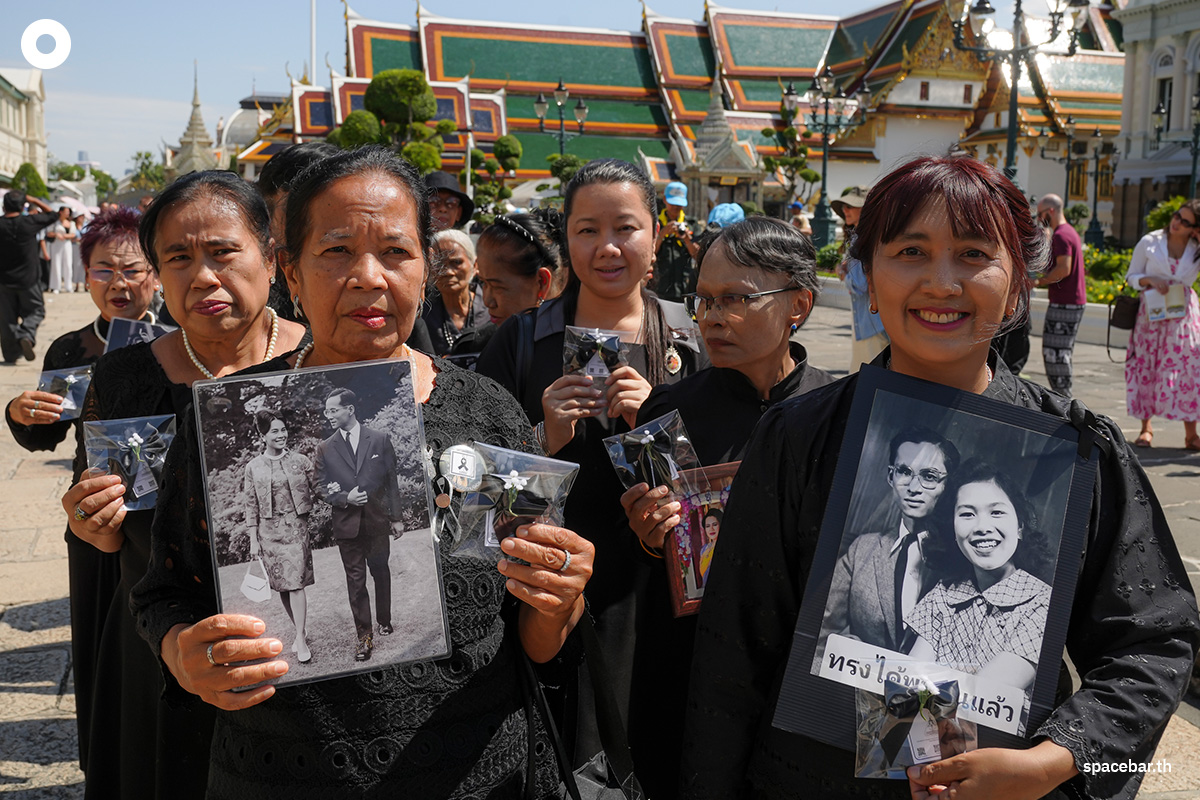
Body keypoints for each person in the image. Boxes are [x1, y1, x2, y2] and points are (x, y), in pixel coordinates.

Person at [681, 155, 1200, 800]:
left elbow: (1153, 643)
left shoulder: (1075, 451)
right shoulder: (799, 436)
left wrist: (1058, 762)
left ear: (1017, 287)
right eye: (910, 251)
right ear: (867, 276)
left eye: (974, 253)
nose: (941, 281)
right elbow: (733, 656)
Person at [129, 145, 595, 796]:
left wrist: (559, 599)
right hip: (282, 769)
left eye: (397, 252)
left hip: (479, 770)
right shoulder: (230, 420)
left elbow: (536, 635)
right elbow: (162, 591)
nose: (369, 277)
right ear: (291, 271)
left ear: (427, 269)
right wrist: (183, 653)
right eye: (338, 251)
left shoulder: (488, 413)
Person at [60, 171, 307, 799]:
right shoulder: (123, 378)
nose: (202, 277)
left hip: (296, 654)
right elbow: (107, 536)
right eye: (177, 258)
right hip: (158, 654)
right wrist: (90, 521)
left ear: (271, 260)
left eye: (223, 252)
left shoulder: (326, 365)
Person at [477, 158, 708, 766]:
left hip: (656, 601)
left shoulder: (691, 340)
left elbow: (714, 497)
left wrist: (649, 430)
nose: (607, 247)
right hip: (545, 595)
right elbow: (477, 505)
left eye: (625, 228)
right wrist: (542, 438)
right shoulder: (522, 341)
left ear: (656, 235)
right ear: (566, 239)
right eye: (587, 230)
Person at [617, 216, 830, 799]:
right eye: (704, 299)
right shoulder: (667, 408)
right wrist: (646, 532)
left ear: (798, 304)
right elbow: (642, 560)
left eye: (736, 298)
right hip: (692, 670)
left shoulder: (838, 411)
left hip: (801, 671)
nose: (711, 317)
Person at [4, 206, 159, 778]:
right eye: (102, 271)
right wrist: (20, 411)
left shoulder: (181, 341)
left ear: (156, 274)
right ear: (85, 275)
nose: (119, 284)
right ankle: (104, 763)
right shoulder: (70, 349)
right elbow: (42, 433)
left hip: (160, 520)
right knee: (99, 638)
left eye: (133, 269)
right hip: (93, 518)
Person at [907, 462, 1053, 694]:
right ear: (954, 532)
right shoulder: (943, 595)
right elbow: (909, 682)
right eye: (967, 514)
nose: (982, 527)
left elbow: (979, 696)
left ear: (1020, 527)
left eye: (996, 512)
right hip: (922, 723)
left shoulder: (1043, 604)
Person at [818, 427, 961, 654]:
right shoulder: (861, 551)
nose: (914, 488)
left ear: (947, 486)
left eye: (929, 476)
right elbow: (819, 637)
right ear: (890, 476)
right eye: (904, 472)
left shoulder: (965, 559)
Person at [314, 387, 403, 661]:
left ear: (349, 409)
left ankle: (384, 619)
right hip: (346, 527)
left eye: (333, 410)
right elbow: (318, 486)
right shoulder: (325, 448)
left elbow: (391, 482)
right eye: (327, 411)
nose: (328, 415)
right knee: (356, 583)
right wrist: (344, 497)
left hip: (377, 523)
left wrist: (397, 518)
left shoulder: (379, 439)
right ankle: (364, 637)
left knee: (381, 572)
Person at [1124, 199, 1200, 449]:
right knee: (1148, 365)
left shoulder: (1196, 247)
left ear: (1195, 228)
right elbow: (1131, 277)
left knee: (1189, 369)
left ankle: (1191, 433)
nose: (1176, 222)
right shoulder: (1150, 242)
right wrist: (1149, 279)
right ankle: (1146, 428)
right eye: (1178, 215)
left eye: (1185, 221)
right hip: (1152, 315)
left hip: (1184, 316)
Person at [243, 409, 315, 664]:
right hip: (268, 533)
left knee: (295, 581)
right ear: (263, 436)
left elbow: (321, 486)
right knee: (284, 586)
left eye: (283, 429)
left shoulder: (300, 460)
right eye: (274, 431)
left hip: (296, 529)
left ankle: (301, 638)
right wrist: (253, 539)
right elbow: (250, 504)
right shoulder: (253, 467)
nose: (281, 435)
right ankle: (300, 629)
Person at [256, 141, 342, 324]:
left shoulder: (373, 289)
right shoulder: (253, 305)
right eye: (295, 215)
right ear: (267, 222)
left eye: (330, 212)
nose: (315, 229)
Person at [1035, 194, 1087, 396]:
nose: (1038, 219)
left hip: (1065, 302)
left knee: (1055, 354)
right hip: (1071, 300)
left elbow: (1063, 269)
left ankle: (1065, 400)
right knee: (1060, 353)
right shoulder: (1069, 232)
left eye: (1040, 214)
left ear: (1050, 212)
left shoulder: (1062, 235)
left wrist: (1038, 281)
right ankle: (1065, 397)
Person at [474, 211, 564, 327]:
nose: (487, 301)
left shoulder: (577, 341)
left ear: (541, 282)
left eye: (498, 288)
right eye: (483, 283)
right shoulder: (479, 342)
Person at [833, 185, 889, 372]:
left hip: (869, 322)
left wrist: (843, 274)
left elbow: (859, 285)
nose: (845, 210)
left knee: (864, 383)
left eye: (851, 206)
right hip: (880, 320)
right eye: (844, 207)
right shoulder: (878, 236)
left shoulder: (860, 239)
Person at [0, 190, 56, 363]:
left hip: (3, 279)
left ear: (3, 206)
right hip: (28, 278)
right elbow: (53, 214)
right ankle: (26, 333)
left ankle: (10, 355)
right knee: (36, 310)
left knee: (7, 318)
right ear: (23, 205)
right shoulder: (29, 222)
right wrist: (34, 199)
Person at [422, 228, 490, 356]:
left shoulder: (491, 308)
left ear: (475, 265)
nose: (448, 272)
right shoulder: (422, 315)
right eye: (438, 264)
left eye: (456, 262)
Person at [652, 180, 700, 301]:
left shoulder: (692, 224)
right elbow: (649, 253)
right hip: (659, 289)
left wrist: (687, 240)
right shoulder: (654, 223)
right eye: (672, 203)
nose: (675, 207)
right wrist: (662, 234)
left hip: (685, 289)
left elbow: (698, 256)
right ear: (664, 200)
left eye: (679, 204)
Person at [47, 204, 78, 294]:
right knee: (56, 264)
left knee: (68, 264)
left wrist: (64, 236)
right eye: (66, 211)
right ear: (61, 212)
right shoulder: (55, 222)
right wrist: (56, 234)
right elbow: (49, 233)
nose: (67, 213)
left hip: (67, 244)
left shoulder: (71, 223)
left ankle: (68, 286)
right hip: (57, 244)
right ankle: (56, 286)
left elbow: (73, 234)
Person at [698, 508, 720, 583]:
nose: (711, 529)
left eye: (714, 524)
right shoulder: (704, 549)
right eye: (707, 526)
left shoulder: (727, 546)